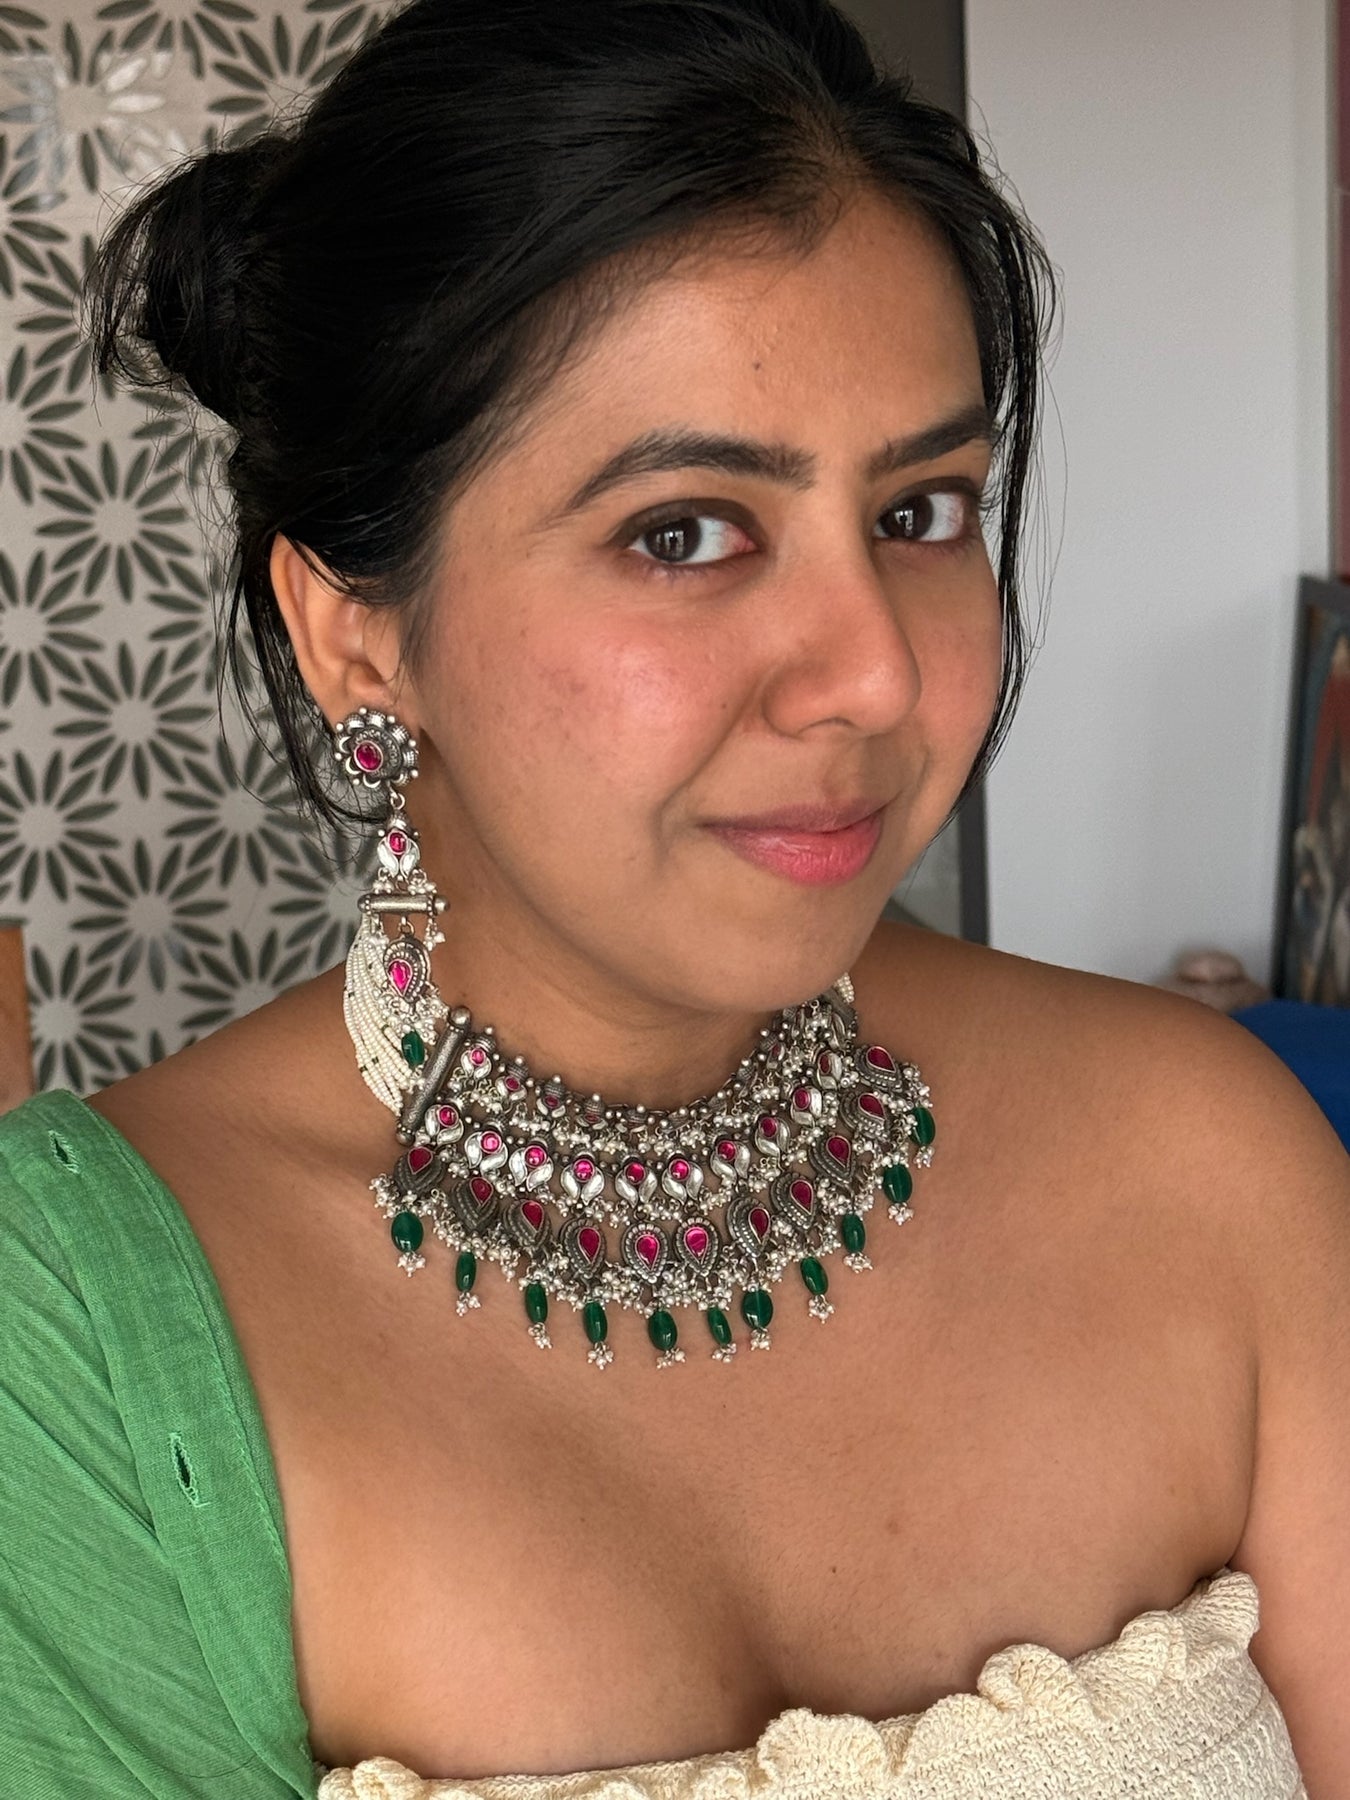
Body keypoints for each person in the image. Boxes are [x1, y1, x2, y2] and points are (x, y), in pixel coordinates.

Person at [2, 1, 1347, 1794]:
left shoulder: (1210, 1165)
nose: (872, 675)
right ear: (356, 630)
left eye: (923, 512)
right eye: (683, 532)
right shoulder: (74, 1346)